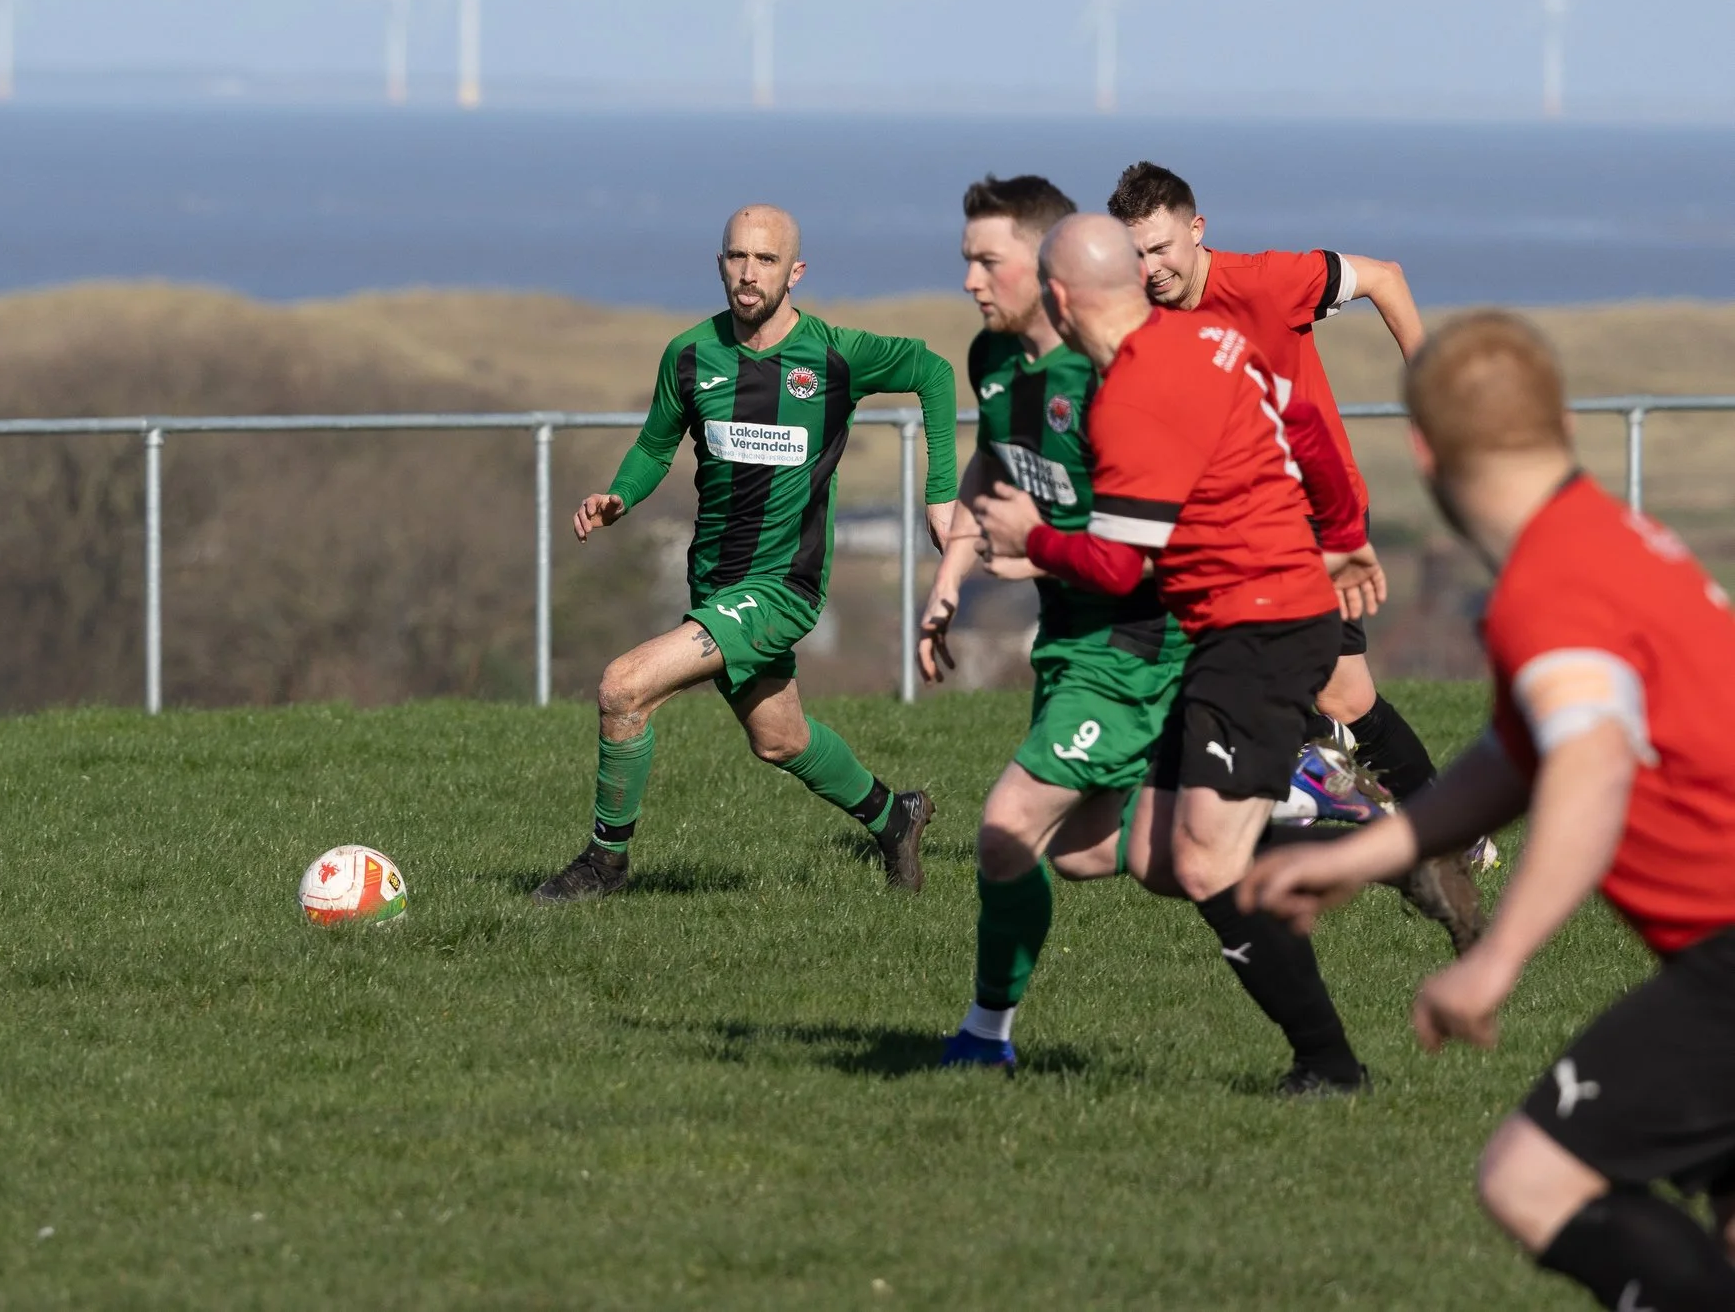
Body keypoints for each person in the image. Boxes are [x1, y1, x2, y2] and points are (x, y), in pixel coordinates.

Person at [1243, 313, 1735, 1308]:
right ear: (1557, 421)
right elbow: (1521, 752)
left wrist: (1491, 960)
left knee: (1528, 1177)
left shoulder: (1549, 585)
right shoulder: (1606, 536)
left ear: (1422, 450)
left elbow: (1587, 768)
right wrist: (1365, 851)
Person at [971, 215, 1387, 1094]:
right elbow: (1309, 421)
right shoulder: (1211, 337)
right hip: (1234, 626)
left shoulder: (1129, 398)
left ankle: (1330, 1064)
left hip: (1260, 627)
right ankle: (1324, 819)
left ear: (1057, 297)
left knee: (1203, 862)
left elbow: (1123, 563)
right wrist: (1344, 534)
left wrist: (1033, 538)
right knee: (1104, 852)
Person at [1107, 161, 1484, 952]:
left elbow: (1386, 277)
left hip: (1317, 517)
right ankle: (1427, 828)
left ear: (1197, 229)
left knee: (1338, 699)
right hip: (1234, 528)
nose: (1152, 270)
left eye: (1162, 249)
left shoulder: (1274, 281)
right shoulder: (1145, 315)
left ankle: (1410, 830)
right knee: (1337, 697)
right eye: (1137, 255)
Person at [535, 204, 960, 902]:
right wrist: (619, 496)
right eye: (737, 256)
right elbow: (653, 446)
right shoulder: (689, 355)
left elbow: (935, 372)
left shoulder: (832, 355)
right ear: (720, 263)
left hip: (783, 588)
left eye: (765, 260)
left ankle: (603, 865)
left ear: (795, 272)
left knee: (622, 687)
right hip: (715, 586)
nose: (748, 272)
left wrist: (938, 490)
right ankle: (895, 817)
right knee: (780, 739)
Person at [918, 176, 1185, 1070]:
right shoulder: (994, 362)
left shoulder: (1114, 369)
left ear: (1048, 267)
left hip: (1139, 636)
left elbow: (1152, 528)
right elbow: (996, 464)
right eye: (966, 262)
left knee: (1006, 823)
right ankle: (1283, 807)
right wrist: (950, 579)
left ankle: (984, 1038)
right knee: (1082, 853)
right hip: (1070, 639)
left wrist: (1035, 552)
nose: (969, 282)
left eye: (986, 262)